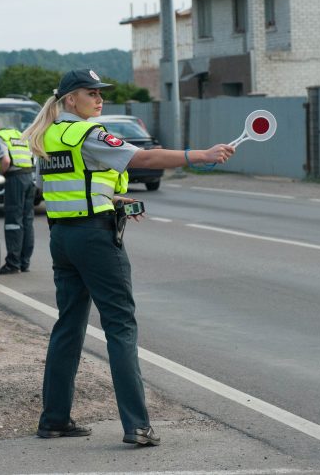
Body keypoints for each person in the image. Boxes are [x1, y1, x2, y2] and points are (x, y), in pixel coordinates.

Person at [22, 68, 235, 446]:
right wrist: (199, 154)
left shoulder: (49, 136)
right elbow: (144, 159)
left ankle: (54, 419)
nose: (99, 98)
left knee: (68, 326)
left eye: (101, 92)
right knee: (120, 326)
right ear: (71, 99)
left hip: (63, 238)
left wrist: (116, 200)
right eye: (91, 93)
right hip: (95, 239)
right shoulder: (88, 133)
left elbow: (72, 188)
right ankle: (137, 426)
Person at [0, 118, 35, 274]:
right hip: (29, 177)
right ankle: (24, 262)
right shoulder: (17, 134)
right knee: (27, 221)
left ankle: (12, 264)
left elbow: (5, 160)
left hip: (15, 178)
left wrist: (0, 174)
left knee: (13, 222)